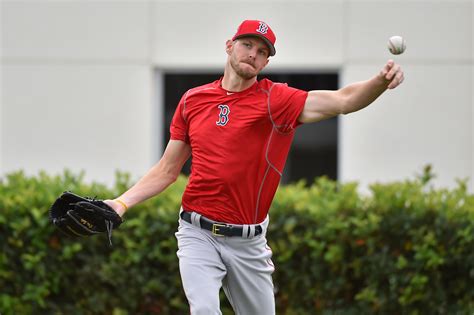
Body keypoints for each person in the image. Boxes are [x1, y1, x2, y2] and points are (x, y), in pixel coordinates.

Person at [104, 19, 404, 315]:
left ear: (265, 62)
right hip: (197, 233)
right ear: (229, 46)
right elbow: (167, 170)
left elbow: (342, 101)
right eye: (247, 45)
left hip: (248, 244)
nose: (253, 54)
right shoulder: (193, 101)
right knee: (205, 309)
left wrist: (379, 82)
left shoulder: (276, 100)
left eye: (262, 52)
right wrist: (121, 203)